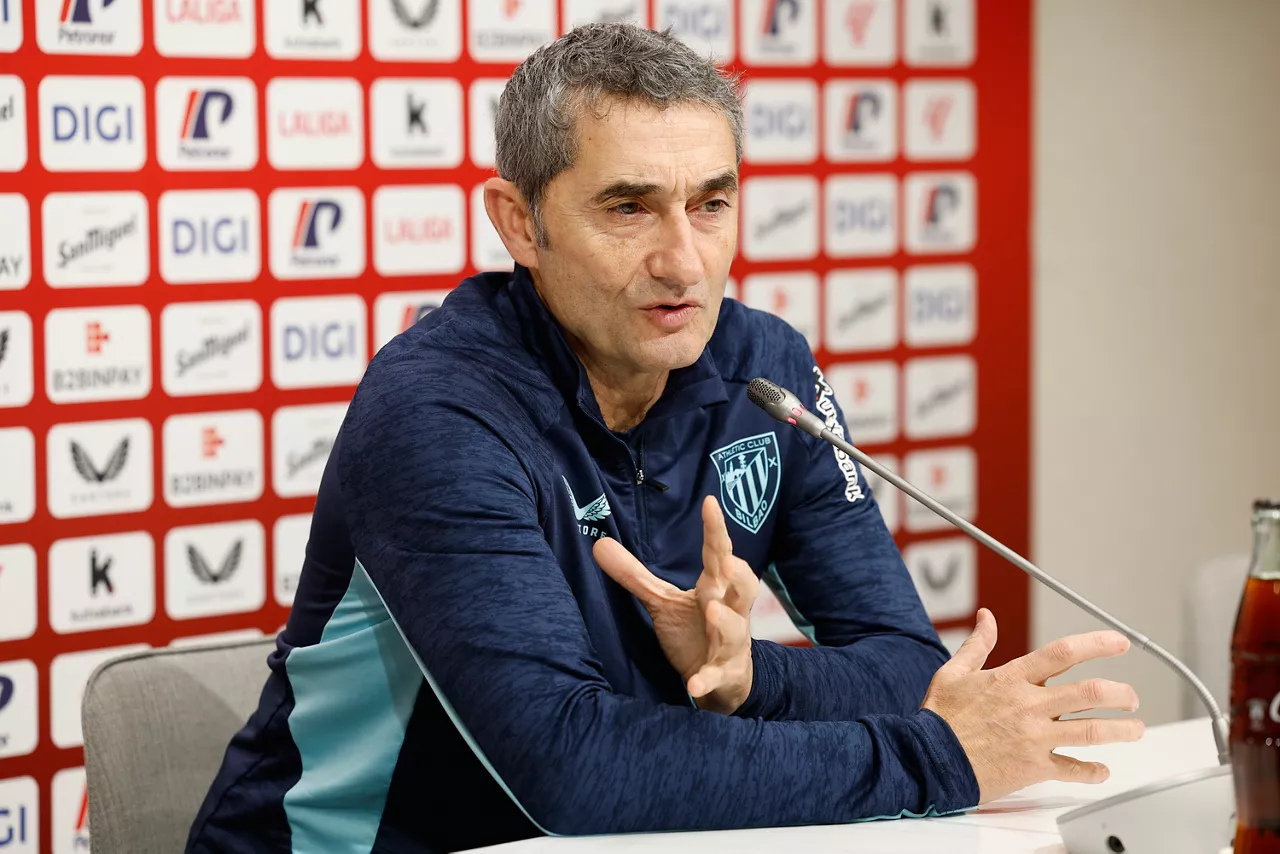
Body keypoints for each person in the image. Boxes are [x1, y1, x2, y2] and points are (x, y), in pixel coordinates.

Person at [186, 23, 1143, 854]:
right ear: (520, 222)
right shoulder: (438, 413)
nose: (683, 262)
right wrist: (937, 757)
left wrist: (748, 678)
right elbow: (572, 767)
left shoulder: (765, 374)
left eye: (711, 204)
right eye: (629, 207)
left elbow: (902, 662)